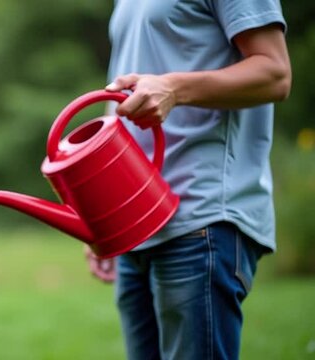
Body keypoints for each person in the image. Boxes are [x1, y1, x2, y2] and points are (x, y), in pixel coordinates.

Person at [86, 1, 291, 359]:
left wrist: (174, 88)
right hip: (137, 226)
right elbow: (118, 98)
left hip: (201, 218)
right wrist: (106, 214)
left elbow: (275, 72)